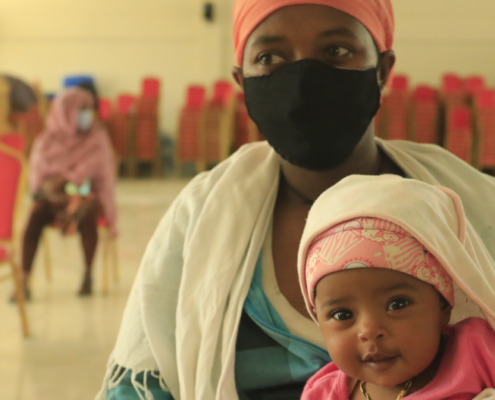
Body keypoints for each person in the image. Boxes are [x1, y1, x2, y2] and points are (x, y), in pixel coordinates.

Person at [97, 1, 495, 399]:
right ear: (242, 80)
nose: (304, 79)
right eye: (270, 57)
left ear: (382, 68)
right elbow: (140, 386)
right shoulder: (203, 215)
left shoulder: (468, 202)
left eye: (336, 50)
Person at [297, 175, 495, 400]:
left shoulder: (476, 351)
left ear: (442, 304)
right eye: (342, 314)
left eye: (397, 304)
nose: (369, 331)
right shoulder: (322, 394)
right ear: (317, 318)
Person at [21, 87, 117, 299]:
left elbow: (100, 174)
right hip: (53, 199)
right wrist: (60, 183)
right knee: (36, 212)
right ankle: (24, 279)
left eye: (88, 110)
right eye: (80, 110)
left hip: (86, 195)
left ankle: (88, 275)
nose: (86, 116)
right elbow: (38, 180)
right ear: (65, 112)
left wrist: (66, 179)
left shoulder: (97, 138)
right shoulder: (45, 141)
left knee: (87, 210)